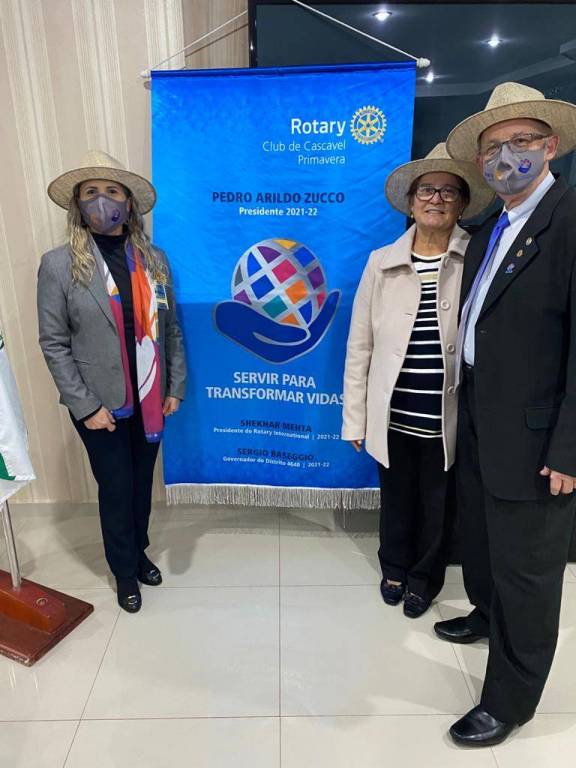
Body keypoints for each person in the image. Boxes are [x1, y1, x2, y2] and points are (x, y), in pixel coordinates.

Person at [434, 82, 576, 747]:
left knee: (528, 572)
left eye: (521, 141)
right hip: (481, 414)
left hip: (538, 435)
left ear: (551, 145)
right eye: (492, 148)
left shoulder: (569, 219)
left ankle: (509, 700)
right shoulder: (491, 225)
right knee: (485, 543)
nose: (504, 157)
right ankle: (485, 614)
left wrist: (570, 448)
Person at [342, 144, 493, 619]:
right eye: (426, 190)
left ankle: (424, 579)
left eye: (449, 192)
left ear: (463, 205)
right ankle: (393, 568)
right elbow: (359, 345)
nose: (436, 199)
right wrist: (355, 418)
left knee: (438, 504)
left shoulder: (478, 257)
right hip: (393, 412)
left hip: (450, 414)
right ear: (410, 203)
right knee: (396, 499)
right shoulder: (380, 262)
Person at [37, 151, 187, 613]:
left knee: (141, 485)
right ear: (78, 205)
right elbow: (53, 342)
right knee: (117, 486)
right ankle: (124, 571)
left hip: (149, 396)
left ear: (129, 203)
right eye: (91, 192)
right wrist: (84, 405)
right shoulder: (59, 265)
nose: (102, 200)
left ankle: (138, 552)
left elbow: (171, 329)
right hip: (99, 403)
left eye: (112, 191)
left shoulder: (154, 261)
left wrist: (174, 386)